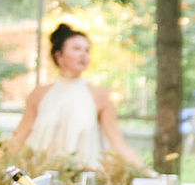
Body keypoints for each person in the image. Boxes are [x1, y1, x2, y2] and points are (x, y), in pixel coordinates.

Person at [9, 23, 142, 170]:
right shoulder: (39, 94)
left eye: (87, 50)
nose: (83, 55)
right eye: (76, 49)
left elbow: (119, 144)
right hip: (41, 178)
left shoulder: (99, 95)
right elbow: (18, 139)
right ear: (59, 55)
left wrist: (149, 174)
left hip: (82, 181)